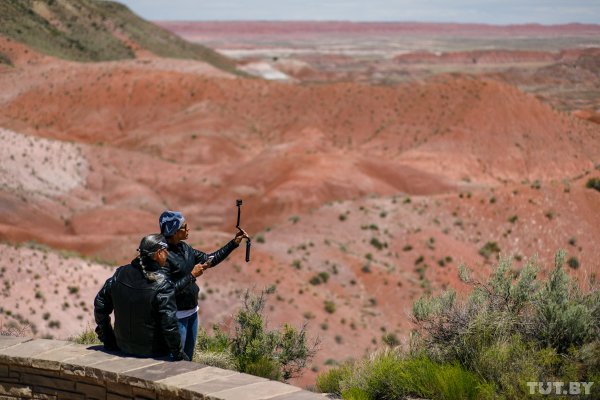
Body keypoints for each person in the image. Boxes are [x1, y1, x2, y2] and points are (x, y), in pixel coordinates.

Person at [159, 210, 248, 360]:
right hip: (175, 318)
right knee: (174, 363)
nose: (188, 229)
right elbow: (167, 291)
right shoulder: (163, 256)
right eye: (184, 227)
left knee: (188, 360)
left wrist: (233, 243)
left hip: (192, 313)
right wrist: (192, 275)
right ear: (174, 231)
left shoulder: (185, 249)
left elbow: (209, 259)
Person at [94, 234, 188, 361]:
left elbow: (100, 304)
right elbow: (169, 324)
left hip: (122, 346)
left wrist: (108, 339)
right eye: (167, 251)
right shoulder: (163, 284)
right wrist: (179, 355)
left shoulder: (120, 273)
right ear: (159, 253)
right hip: (154, 352)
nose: (168, 254)